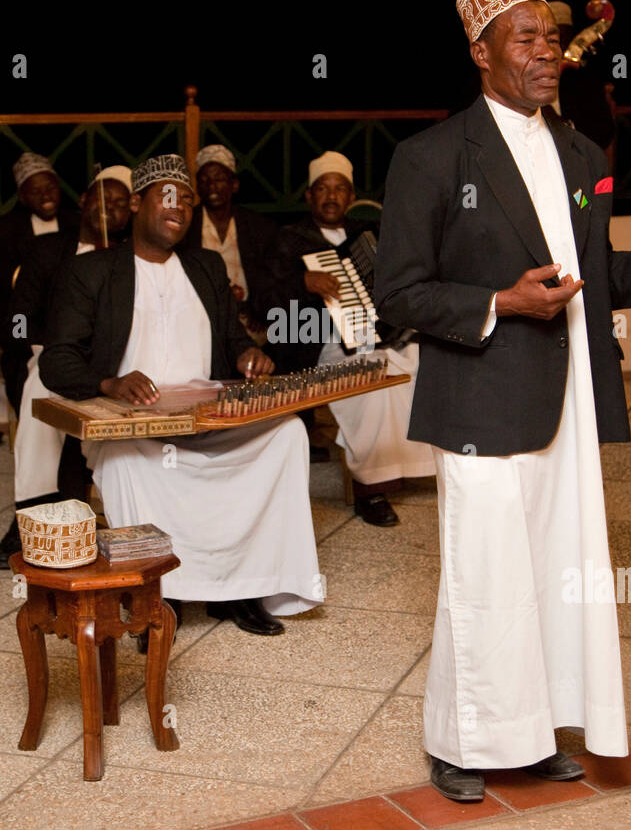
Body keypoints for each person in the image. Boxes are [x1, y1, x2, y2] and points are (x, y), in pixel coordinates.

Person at [375, 0, 631, 802]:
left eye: (553, 39)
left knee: (556, 571)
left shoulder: (580, 152)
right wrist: (501, 301)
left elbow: (589, 273)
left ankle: (534, 736)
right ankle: (461, 742)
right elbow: (398, 295)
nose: (545, 51)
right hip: (479, 399)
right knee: (485, 575)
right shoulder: (429, 157)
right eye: (524, 38)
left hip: (568, 398)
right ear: (481, 51)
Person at [39, 154, 323, 636]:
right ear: (134, 204)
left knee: (288, 435)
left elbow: (233, 339)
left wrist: (247, 358)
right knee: (126, 461)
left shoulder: (206, 266)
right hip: (134, 423)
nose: (180, 207)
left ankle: (242, 588)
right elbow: (56, 360)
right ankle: (153, 599)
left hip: (206, 416)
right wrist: (110, 382)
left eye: (187, 200)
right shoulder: (94, 270)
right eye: (167, 196)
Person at [264, 151, 435, 527]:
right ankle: (370, 488)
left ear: (351, 196)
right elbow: (269, 304)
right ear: (309, 197)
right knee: (372, 380)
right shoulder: (290, 240)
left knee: (423, 360)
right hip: (321, 343)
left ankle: (424, 465)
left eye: (339, 189)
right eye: (322, 189)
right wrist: (302, 283)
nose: (331, 196)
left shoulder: (367, 235)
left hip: (381, 338)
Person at [0, 167, 133, 569]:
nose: (112, 210)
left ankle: (110, 513)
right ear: (85, 201)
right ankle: (30, 514)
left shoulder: (128, 257)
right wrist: (40, 348)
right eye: (105, 199)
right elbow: (19, 316)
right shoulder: (49, 249)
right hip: (49, 353)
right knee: (41, 390)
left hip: (112, 363)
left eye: (122, 204)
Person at [0, 153, 78, 393]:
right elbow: (10, 290)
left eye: (50, 188)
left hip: (69, 312)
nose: (46, 196)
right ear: (22, 197)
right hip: (19, 313)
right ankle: (27, 406)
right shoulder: (2, 232)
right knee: (19, 343)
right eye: (36, 191)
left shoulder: (76, 224)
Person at [184, 143, 280, 334]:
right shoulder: (187, 226)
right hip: (202, 319)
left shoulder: (258, 227)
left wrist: (260, 313)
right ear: (197, 186)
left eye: (219, 179)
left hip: (250, 319)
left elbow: (271, 278)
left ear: (234, 184)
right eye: (204, 180)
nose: (212, 186)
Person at [546, 0, 616, 151]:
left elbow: (604, 132)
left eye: (562, 36)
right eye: (551, 39)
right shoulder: (529, 75)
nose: (559, 45)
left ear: (571, 36)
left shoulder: (583, 77)